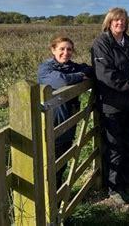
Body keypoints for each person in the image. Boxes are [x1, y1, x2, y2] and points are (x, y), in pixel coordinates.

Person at [91, 8, 129, 205]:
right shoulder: (102, 44)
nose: (120, 24)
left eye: (123, 20)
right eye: (116, 20)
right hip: (113, 106)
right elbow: (105, 74)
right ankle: (114, 188)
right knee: (114, 147)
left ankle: (126, 183)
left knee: (128, 146)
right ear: (109, 22)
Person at [37, 36, 94, 189]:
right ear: (53, 50)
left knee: (61, 163)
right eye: (62, 49)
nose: (66, 52)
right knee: (49, 165)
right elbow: (61, 81)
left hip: (67, 124)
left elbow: (90, 69)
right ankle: (50, 202)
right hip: (50, 123)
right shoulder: (45, 69)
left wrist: (81, 73)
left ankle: (59, 199)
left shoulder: (72, 66)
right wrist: (81, 76)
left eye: (69, 49)